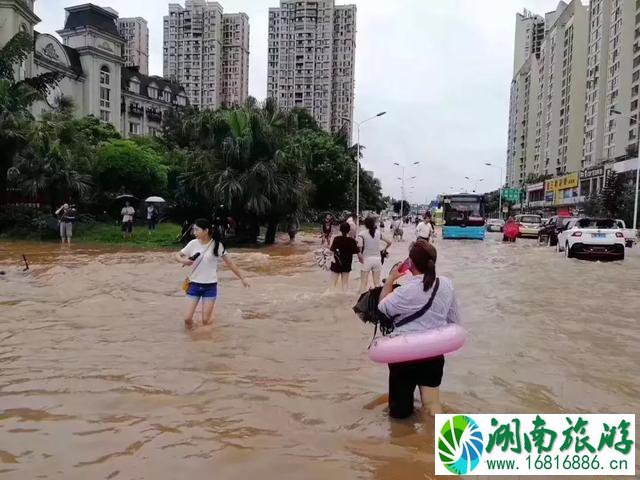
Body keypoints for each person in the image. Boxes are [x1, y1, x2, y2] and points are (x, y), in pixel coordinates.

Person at [377, 240, 460, 419]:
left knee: (400, 413)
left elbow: (382, 307)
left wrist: (391, 278)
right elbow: (453, 319)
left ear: (411, 264)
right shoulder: (446, 284)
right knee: (432, 406)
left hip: (404, 354)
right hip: (433, 353)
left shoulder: (404, 291)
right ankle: (437, 441)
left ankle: (404, 445)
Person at [175, 218, 250, 329]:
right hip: (194, 285)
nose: (194, 232)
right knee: (187, 319)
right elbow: (177, 255)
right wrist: (183, 261)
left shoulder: (217, 245)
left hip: (210, 286)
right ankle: (191, 338)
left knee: (205, 320)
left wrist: (243, 278)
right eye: (193, 230)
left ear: (206, 230)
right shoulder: (193, 243)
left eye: (196, 230)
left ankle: (208, 337)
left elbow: (230, 263)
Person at [358, 216, 392, 293]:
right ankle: (377, 301)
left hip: (366, 259)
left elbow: (359, 250)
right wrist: (384, 249)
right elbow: (389, 242)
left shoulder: (361, 234)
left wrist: (360, 258)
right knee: (377, 284)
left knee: (363, 284)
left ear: (365, 225)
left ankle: (361, 301)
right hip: (377, 260)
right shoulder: (378, 233)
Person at [329, 222, 363, 292]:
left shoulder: (336, 239)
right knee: (345, 284)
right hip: (347, 264)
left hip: (336, 263)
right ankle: (344, 298)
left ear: (340, 229)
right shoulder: (352, 241)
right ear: (349, 230)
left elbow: (331, 250)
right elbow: (359, 254)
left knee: (333, 284)